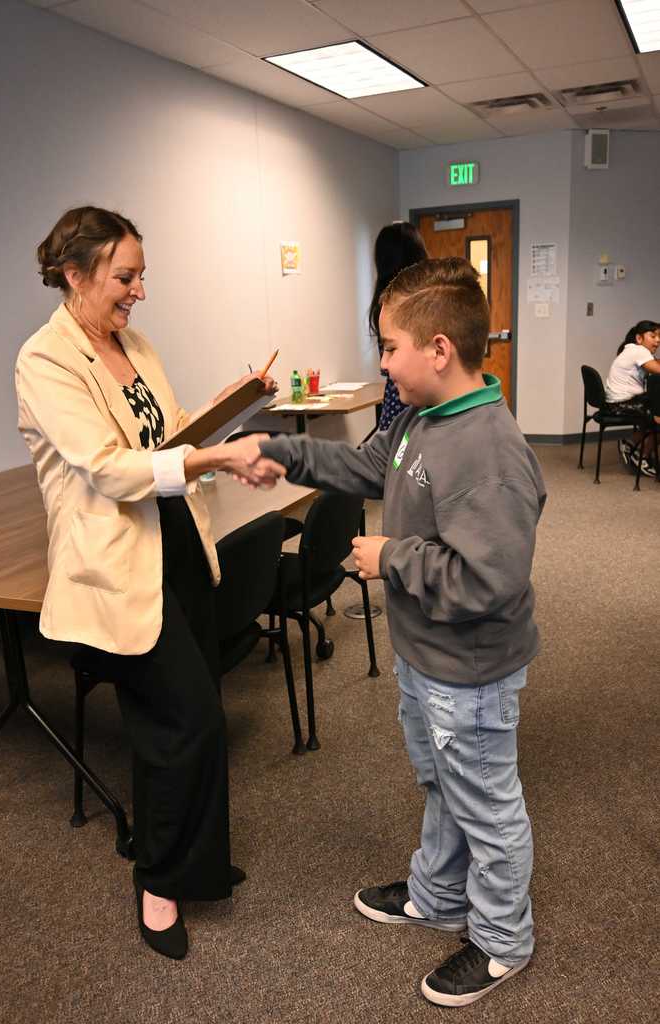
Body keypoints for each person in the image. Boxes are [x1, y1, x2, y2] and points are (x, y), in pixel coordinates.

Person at [241, 257, 546, 1006]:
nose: (380, 361)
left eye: (388, 346)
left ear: (438, 350)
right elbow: (360, 465)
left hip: (469, 667)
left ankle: (504, 941)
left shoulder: (488, 450)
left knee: (486, 804)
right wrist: (278, 450)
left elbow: (489, 580)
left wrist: (392, 557)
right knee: (442, 785)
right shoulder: (420, 417)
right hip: (428, 657)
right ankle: (436, 894)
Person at [15, 206, 284, 960]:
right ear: (75, 274)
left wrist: (231, 408)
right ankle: (157, 880)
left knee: (196, 719)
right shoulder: (46, 359)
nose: (139, 292)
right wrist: (211, 461)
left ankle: (196, 865)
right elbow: (107, 467)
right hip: (115, 565)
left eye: (141, 275)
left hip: (175, 545)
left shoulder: (133, 343)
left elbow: (166, 440)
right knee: (183, 723)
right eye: (125, 276)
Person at [368, 221, 427, 430]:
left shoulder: (386, 305)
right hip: (414, 400)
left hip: (402, 401)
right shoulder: (425, 300)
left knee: (398, 456)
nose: (384, 362)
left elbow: (389, 370)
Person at [605, 320, 660, 476]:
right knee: (658, 418)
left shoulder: (632, 350)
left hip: (617, 402)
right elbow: (657, 369)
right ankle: (642, 456)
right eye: (653, 335)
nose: (658, 340)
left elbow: (655, 363)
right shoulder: (639, 351)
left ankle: (630, 443)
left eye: (659, 336)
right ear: (639, 338)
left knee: (656, 410)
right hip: (623, 404)